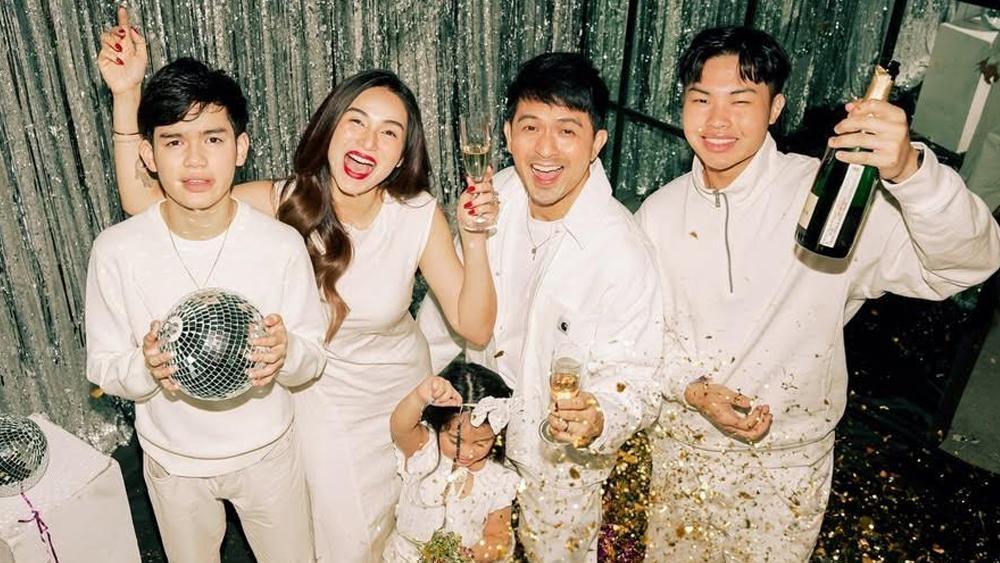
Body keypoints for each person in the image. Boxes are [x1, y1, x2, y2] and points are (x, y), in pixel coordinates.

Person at [96, 8, 497, 561]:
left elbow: (476, 325)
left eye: (389, 133)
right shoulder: (285, 202)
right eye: (355, 122)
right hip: (322, 398)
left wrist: (474, 239)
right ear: (329, 127)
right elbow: (146, 202)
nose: (368, 142)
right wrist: (126, 94)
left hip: (402, 388)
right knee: (347, 537)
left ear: (402, 154)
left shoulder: (416, 215)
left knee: (409, 514)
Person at [634, 26, 1000, 562]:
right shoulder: (658, 214)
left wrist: (911, 172)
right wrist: (692, 390)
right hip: (682, 449)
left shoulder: (829, 195)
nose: (717, 121)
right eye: (701, 99)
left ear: (776, 108)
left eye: (741, 101)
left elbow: (967, 263)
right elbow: (637, 339)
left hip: (784, 464)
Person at [418, 52, 664, 562]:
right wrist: (427, 410)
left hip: (558, 466)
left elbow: (638, 377)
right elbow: (445, 320)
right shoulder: (493, 200)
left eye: (567, 130)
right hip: (477, 441)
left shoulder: (621, 248)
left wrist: (599, 416)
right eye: (531, 127)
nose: (546, 148)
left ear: (597, 143)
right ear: (508, 135)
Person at [85, 57, 328, 563]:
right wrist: (145, 367)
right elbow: (104, 368)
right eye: (174, 142)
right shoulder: (116, 250)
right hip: (174, 464)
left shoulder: (280, 244)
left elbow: (312, 357)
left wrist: (285, 354)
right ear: (148, 154)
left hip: (268, 454)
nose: (195, 160)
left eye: (213, 139)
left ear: (240, 148)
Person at [385, 361, 520, 562]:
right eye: (455, 440)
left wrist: (471, 556)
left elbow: (499, 536)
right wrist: (419, 396)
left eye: (481, 443)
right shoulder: (425, 449)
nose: (467, 452)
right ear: (439, 424)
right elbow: (400, 426)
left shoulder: (498, 479)